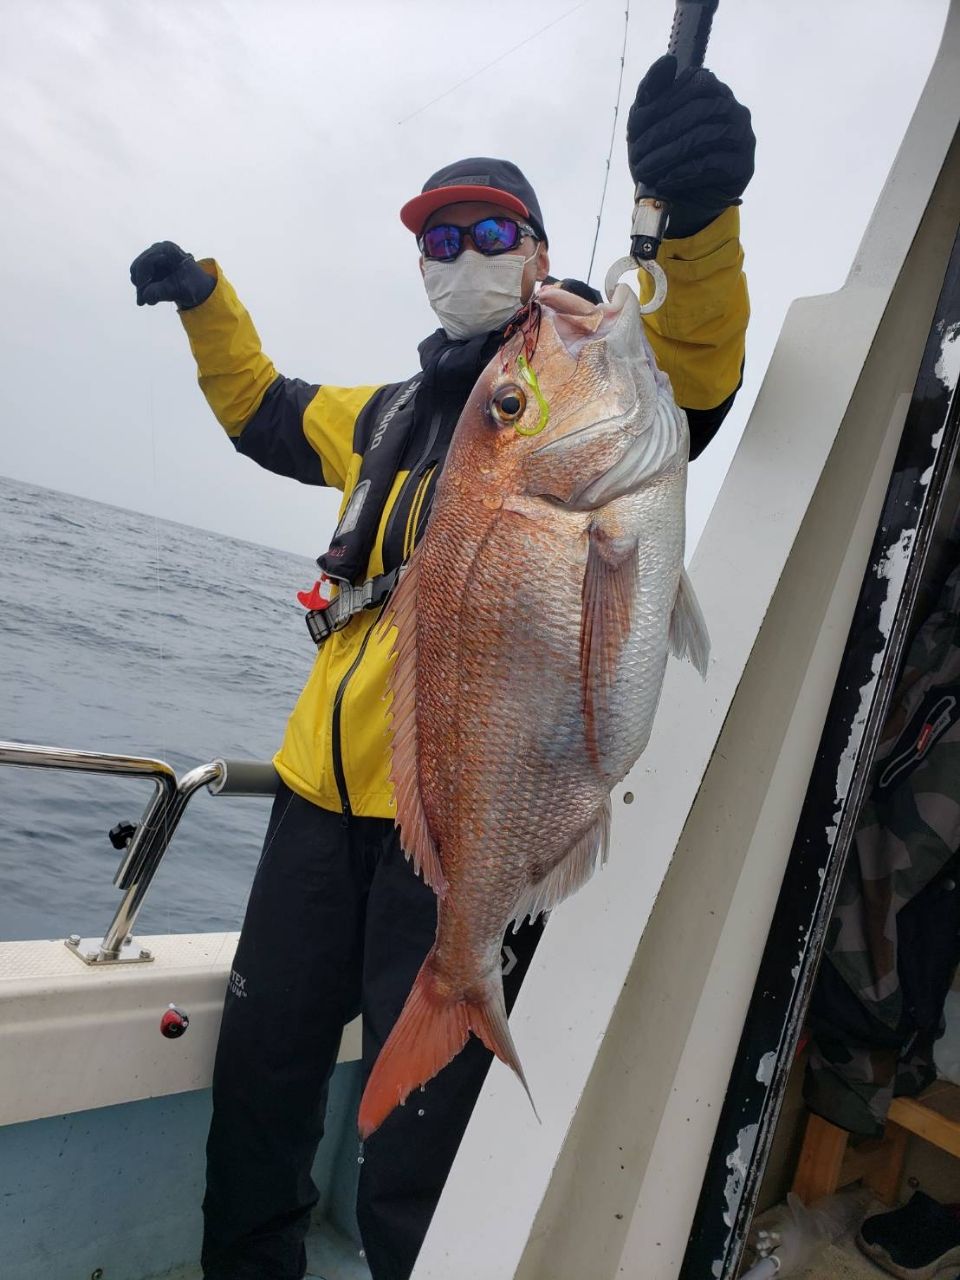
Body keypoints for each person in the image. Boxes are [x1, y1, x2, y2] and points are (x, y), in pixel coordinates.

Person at [130, 54, 755, 1280]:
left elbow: (692, 357)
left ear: (533, 254)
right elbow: (262, 406)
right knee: (262, 1083)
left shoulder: (588, 376)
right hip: (319, 802)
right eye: (438, 234)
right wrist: (209, 301)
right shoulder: (381, 414)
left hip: (467, 821)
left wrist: (699, 219)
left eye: (488, 228)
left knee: (421, 1149)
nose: (459, 250)